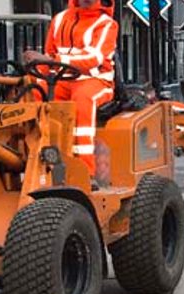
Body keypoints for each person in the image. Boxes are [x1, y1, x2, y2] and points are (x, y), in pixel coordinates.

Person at [23, 0, 117, 173]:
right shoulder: (59, 20)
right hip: (60, 79)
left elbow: (94, 58)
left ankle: (86, 170)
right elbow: (50, 54)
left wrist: (53, 61)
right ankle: (34, 159)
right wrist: (34, 70)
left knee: (82, 99)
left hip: (95, 80)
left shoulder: (106, 24)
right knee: (32, 91)